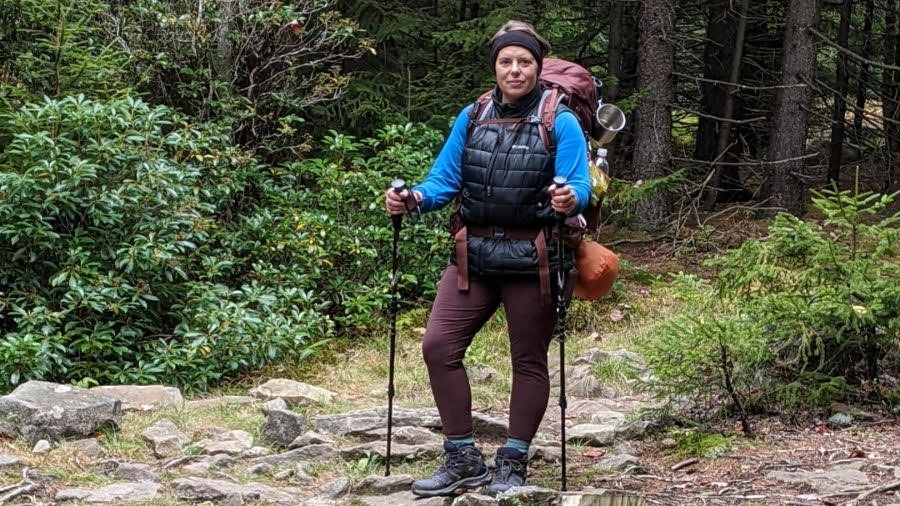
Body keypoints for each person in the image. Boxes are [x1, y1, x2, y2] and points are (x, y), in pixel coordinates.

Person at [384, 20, 590, 497]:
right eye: (506, 62)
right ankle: (463, 458)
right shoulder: (472, 116)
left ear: (538, 68)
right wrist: (413, 197)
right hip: (473, 254)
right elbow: (443, 181)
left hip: (536, 257)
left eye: (524, 62)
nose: (514, 70)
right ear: (495, 67)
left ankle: (513, 460)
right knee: (438, 347)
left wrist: (567, 200)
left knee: (528, 360)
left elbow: (578, 185)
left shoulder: (559, 119)